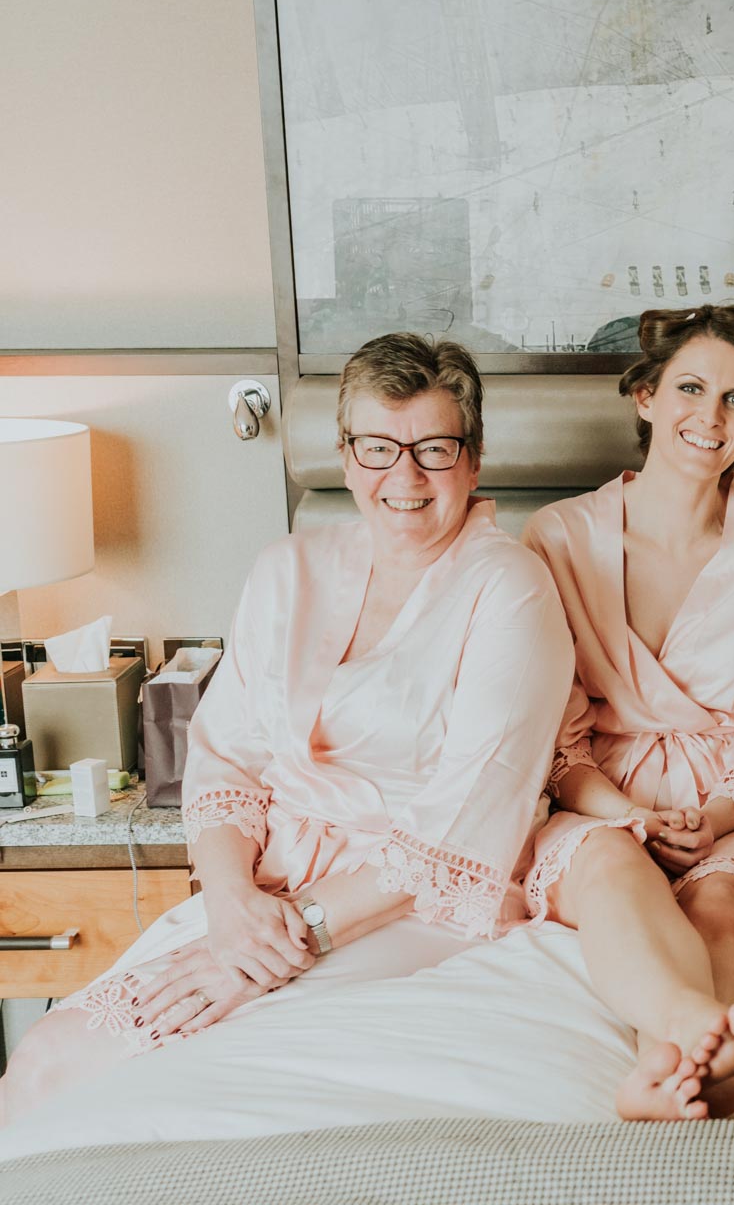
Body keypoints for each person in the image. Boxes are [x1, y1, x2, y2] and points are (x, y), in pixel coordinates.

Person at [0, 335, 575, 1124]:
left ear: (472, 461)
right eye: (377, 447)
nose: (403, 476)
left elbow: (464, 819)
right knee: (45, 1060)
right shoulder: (286, 569)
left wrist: (287, 938)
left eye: (433, 449)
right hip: (261, 892)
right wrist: (234, 904)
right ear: (346, 457)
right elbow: (225, 761)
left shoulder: (510, 589)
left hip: (410, 906)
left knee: (182, 1081)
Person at [520, 303, 734, 1121]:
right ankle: (690, 1041)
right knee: (615, 868)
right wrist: (625, 814)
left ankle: (687, 1072)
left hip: (732, 799)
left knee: (719, 904)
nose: (712, 416)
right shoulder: (557, 538)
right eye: (691, 388)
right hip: (596, 795)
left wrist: (717, 817)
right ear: (646, 397)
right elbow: (551, 734)